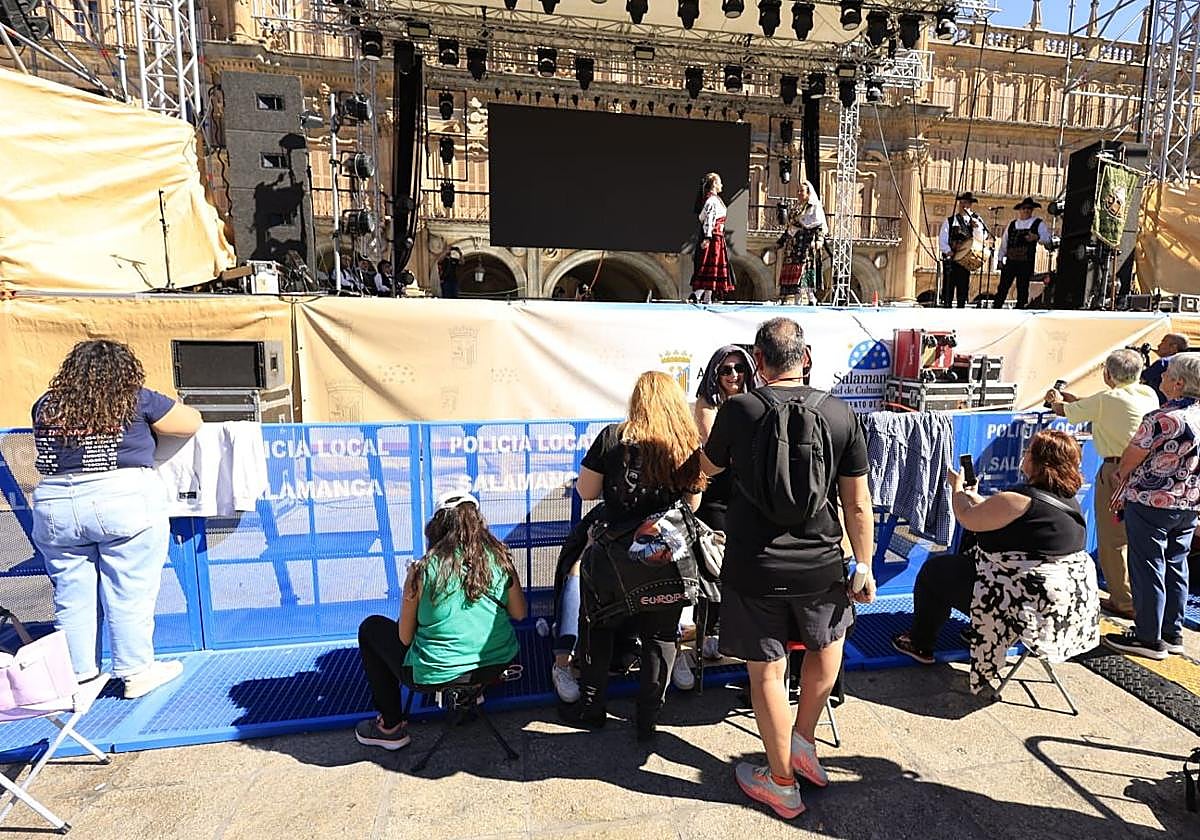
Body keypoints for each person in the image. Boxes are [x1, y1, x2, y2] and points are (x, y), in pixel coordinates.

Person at [700, 318, 875, 819]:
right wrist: (862, 563)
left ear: (758, 359)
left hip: (755, 565)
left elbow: (708, 469)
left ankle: (780, 781)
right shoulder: (841, 413)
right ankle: (804, 741)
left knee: (768, 674)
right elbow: (858, 504)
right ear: (807, 355)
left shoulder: (739, 410)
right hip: (821, 564)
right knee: (826, 648)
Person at [30, 340, 203, 698]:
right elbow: (190, 423)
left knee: (72, 595)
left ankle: (78, 676)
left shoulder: (46, 405)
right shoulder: (135, 398)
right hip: (121, 498)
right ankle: (136, 672)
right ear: (125, 371)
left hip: (54, 504)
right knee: (129, 590)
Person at [563, 371, 706, 741]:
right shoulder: (686, 443)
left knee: (598, 628)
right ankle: (648, 718)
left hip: (612, 555)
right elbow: (692, 504)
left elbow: (587, 490)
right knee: (661, 637)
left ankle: (593, 708)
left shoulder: (613, 436)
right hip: (665, 557)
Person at [892, 431, 1094, 667]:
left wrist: (957, 490)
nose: (1024, 454)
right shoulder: (1068, 502)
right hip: (1058, 611)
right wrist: (974, 496)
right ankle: (980, 630)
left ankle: (919, 642)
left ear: (1040, 462)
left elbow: (968, 518)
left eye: (1028, 451)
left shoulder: (1019, 499)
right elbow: (999, 512)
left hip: (1020, 607)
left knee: (935, 572)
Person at [355, 491, 527, 750]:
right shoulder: (500, 559)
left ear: (436, 526)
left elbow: (404, 637)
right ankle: (472, 696)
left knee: (371, 628)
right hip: (497, 664)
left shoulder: (423, 569)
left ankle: (390, 727)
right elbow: (520, 613)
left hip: (436, 674)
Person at [1045, 349, 1159, 620]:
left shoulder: (1107, 399)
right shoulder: (1147, 394)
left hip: (1117, 472)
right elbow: (1101, 405)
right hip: (1148, 473)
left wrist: (1055, 401)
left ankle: (1124, 601)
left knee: (1113, 539)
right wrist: (1075, 401)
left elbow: (1066, 411)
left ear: (1108, 374)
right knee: (1139, 538)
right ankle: (1142, 597)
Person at [1105, 354, 1200, 660]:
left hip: (1151, 500)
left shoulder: (1163, 418)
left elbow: (1132, 455)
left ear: (1179, 383)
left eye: (1167, 374)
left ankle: (1148, 637)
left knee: (1147, 566)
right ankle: (1171, 633)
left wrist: (1122, 478)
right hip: (1188, 501)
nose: (1160, 379)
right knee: (1176, 564)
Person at [992, 197, 1053, 309]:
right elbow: (1004, 243)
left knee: (1022, 287)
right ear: (1020, 210)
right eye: (1024, 208)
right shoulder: (1012, 225)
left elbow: (1047, 239)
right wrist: (1000, 259)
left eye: (1029, 208)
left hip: (1026, 262)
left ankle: (1020, 310)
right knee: (1003, 287)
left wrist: (1036, 237)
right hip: (1011, 261)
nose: (1026, 210)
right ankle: (996, 307)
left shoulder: (1038, 223)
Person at [776, 181, 827, 306]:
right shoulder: (796, 208)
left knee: (805, 270)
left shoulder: (814, 207)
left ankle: (811, 297)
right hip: (793, 244)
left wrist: (819, 240)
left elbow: (818, 225)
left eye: (802, 191)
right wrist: (781, 241)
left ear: (808, 193)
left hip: (807, 243)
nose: (799, 193)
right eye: (798, 191)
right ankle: (797, 297)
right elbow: (791, 227)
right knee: (794, 270)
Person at [938, 191, 989, 309]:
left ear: (970, 205)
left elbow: (981, 238)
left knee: (963, 288)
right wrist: (948, 251)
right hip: (951, 259)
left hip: (965, 260)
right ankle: (946, 307)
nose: (963, 205)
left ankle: (961, 307)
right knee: (948, 288)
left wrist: (976, 228)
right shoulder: (950, 221)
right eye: (961, 202)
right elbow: (942, 239)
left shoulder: (976, 219)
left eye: (966, 203)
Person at [690, 172, 736, 304]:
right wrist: (708, 237)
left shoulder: (713, 200)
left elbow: (703, 216)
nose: (722, 185)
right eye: (719, 182)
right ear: (714, 184)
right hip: (713, 237)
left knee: (713, 268)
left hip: (717, 237)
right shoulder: (711, 201)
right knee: (709, 266)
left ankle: (707, 297)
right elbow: (708, 219)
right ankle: (696, 294)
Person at [1142, 333, 1189, 404]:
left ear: (1173, 347)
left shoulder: (1162, 363)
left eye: (1163, 342)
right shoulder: (1188, 362)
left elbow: (1140, 379)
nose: (1158, 345)